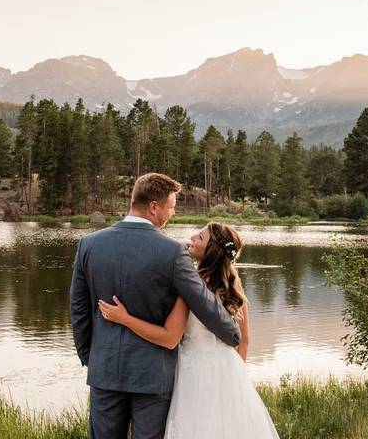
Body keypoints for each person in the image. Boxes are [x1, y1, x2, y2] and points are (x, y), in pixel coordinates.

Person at [70, 173, 241, 439]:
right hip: (152, 376)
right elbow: (203, 302)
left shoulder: (89, 245)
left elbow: (79, 311)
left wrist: (90, 357)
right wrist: (232, 333)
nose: (172, 213)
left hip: (104, 370)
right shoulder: (172, 252)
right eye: (171, 207)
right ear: (153, 207)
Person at [98, 221, 280, 439]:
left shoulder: (192, 288)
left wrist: (125, 319)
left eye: (200, 238)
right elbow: (244, 341)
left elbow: (168, 338)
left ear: (210, 251)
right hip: (229, 371)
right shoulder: (234, 285)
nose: (192, 237)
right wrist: (236, 383)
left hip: (194, 374)